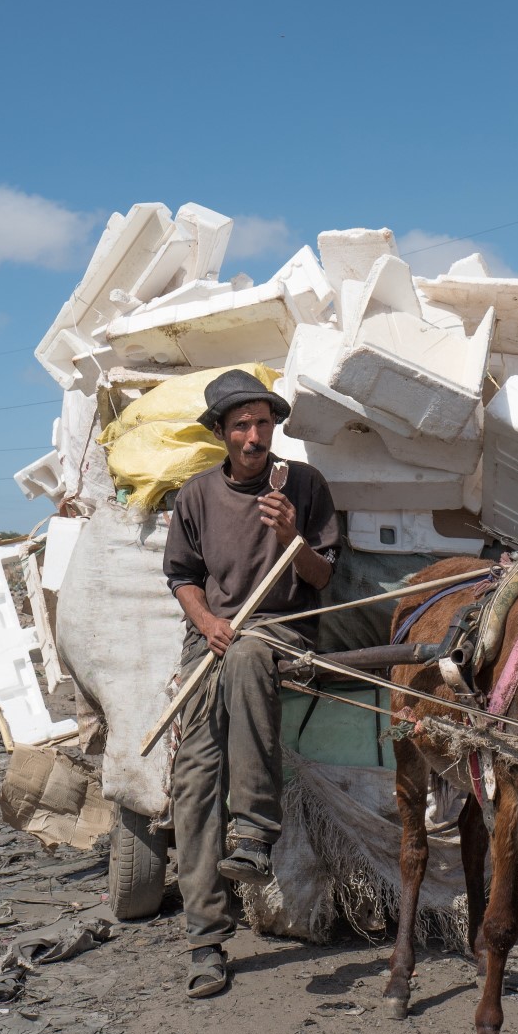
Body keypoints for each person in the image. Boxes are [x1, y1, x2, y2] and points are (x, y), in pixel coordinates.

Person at [161, 369, 338, 998]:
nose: (255, 434)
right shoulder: (196, 497)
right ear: (222, 434)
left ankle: (255, 832)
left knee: (245, 655)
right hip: (211, 635)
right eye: (241, 424)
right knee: (192, 778)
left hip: (279, 629)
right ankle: (206, 942)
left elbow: (320, 579)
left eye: (263, 422)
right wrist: (207, 621)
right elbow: (182, 574)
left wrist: (292, 536)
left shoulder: (305, 486)